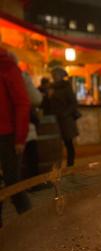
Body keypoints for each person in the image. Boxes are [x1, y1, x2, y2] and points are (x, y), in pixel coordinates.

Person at [0, 48, 32, 227]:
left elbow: (22, 103)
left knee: (14, 184)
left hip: (7, 136)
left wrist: (20, 138)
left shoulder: (7, 67)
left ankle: (30, 226)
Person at [49, 67, 79, 167]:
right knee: (57, 145)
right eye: (53, 75)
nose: (54, 77)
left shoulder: (66, 87)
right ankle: (58, 166)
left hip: (66, 120)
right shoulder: (51, 88)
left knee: (68, 143)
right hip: (56, 120)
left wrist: (65, 114)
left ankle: (70, 164)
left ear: (61, 76)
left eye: (55, 75)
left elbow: (73, 103)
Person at [22, 71, 43, 179]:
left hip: (6, 127)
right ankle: (32, 183)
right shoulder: (21, 77)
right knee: (31, 156)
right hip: (24, 124)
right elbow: (37, 98)